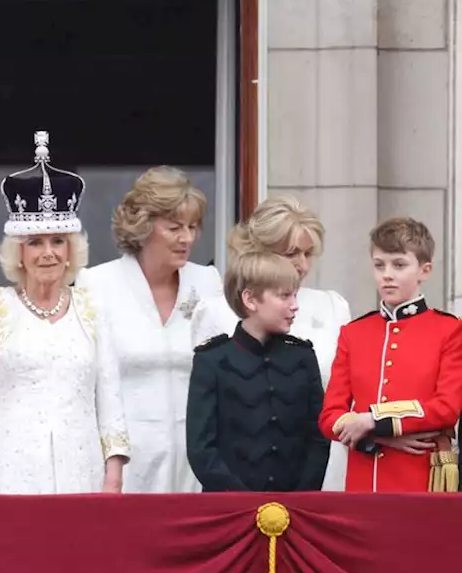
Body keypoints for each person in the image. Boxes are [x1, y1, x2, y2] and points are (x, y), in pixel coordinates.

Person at [0, 132, 128, 494]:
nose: (48, 252)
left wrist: (113, 477)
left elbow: (109, 400)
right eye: (35, 242)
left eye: (57, 241)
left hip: (80, 475)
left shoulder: (92, 309)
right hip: (5, 475)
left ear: (70, 249)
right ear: (19, 252)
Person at [76, 167, 224, 493]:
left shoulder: (208, 282)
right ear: (143, 227)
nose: (187, 238)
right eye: (174, 228)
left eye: (193, 227)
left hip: (195, 463)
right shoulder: (96, 284)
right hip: (126, 464)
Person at [193, 195, 352, 490]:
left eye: (308, 253)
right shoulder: (217, 310)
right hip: (240, 477)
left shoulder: (332, 306)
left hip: (322, 467)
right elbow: (206, 417)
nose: (302, 265)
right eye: (291, 253)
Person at [319, 217, 462, 493]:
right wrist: (379, 436)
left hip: (421, 478)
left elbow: (447, 407)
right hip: (363, 477)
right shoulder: (354, 333)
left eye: (399, 265)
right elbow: (329, 416)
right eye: (379, 265)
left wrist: (373, 420)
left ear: (425, 270)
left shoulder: (450, 330)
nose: (387, 274)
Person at [186, 251, 329, 492]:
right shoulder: (212, 360)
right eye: (284, 296)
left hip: (295, 507)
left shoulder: (302, 357)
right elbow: (201, 449)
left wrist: (299, 498)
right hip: (230, 509)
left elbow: (318, 437)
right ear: (250, 300)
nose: (295, 306)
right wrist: (244, 501)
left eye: (295, 295)